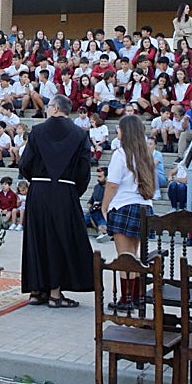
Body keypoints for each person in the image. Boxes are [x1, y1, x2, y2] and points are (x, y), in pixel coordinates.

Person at [20, 94, 93, 308]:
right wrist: (72, 191)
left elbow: (25, 163)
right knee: (61, 240)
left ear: (54, 108)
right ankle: (54, 292)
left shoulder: (38, 131)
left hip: (39, 189)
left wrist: (36, 181)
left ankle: (37, 290)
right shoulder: (80, 134)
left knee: (37, 238)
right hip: (65, 191)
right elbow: (83, 170)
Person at [100, 114, 156, 310]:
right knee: (134, 253)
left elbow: (112, 184)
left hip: (124, 205)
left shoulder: (121, 153)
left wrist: (104, 206)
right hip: (144, 206)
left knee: (124, 255)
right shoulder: (146, 154)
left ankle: (126, 298)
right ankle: (136, 296)